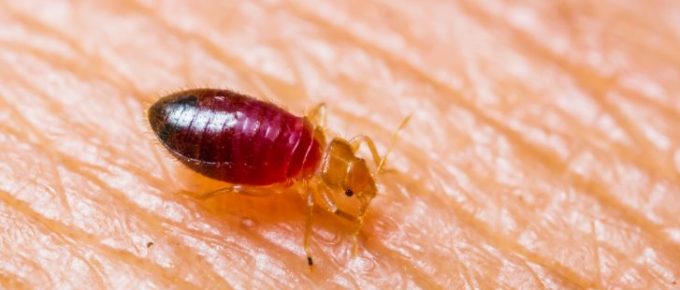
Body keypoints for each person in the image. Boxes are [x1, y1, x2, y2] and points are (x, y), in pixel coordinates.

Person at [0, 1, 678, 289]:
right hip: (226, 133)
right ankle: (208, 179)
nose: (359, 181)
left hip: (253, 136)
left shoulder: (310, 146)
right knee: (238, 180)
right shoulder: (307, 151)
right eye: (357, 183)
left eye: (357, 180)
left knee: (245, 177)